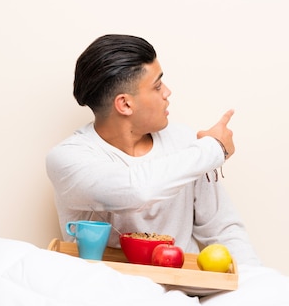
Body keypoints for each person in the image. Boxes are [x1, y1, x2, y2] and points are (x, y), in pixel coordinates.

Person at [46, 34, 260, 266]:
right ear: (125, 104)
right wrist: (213, 149)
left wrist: (253, 283)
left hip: (184, 290)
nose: (167, 92)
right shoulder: (68, 158)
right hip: (107, 291)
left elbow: (223, 230)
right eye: (157, 86)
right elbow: (135, 190)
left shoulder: (187, 144)